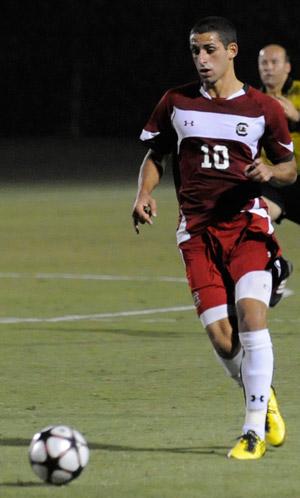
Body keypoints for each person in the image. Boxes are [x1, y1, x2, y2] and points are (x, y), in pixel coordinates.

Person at [132, 16, 297, 460]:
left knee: (250, 316)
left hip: (247, 226)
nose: (201, 59)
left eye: (209, 50)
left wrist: (270, 171)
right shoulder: (176, 102)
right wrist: (144, 193)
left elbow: (290, 166)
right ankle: (264, 395)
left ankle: (251, 431)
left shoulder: (264, 108)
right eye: (195, 51)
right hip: (197, 233)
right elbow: (156, 154)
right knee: (225, 341)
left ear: (232, 51)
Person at [258, 44, 300, 224]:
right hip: (271, 182)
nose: (268, 67)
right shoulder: (252, 100)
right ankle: (271, 254)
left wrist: (297, 117)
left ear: (288, 67)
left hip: (298, 181)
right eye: (264, 63)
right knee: (251, 219)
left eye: (274, 62)